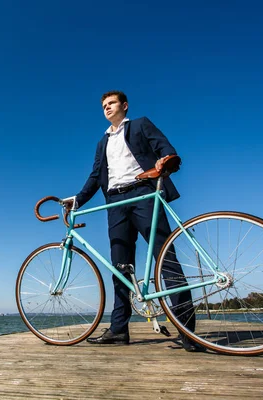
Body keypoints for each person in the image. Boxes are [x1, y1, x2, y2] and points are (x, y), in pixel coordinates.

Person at [64, 90, 205, 352]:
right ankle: (118, 330)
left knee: (166, 259)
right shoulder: (102, 142)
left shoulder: (140, 124)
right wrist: (78, 200)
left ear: (124, 106)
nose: (107, 107)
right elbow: (96, 176)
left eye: (112, 103)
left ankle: (187, 330)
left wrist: (166, 159)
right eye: (104, 105)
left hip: (144, 194)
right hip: (115, 204)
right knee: (120, 268)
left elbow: (163, 146)